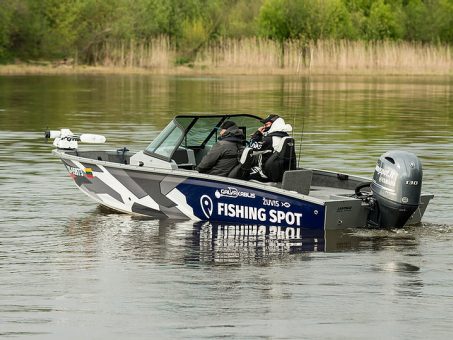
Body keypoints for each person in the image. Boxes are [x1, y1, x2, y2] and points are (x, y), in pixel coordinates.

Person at [249, 114, 293, 181]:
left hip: (265, 174)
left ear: (274, 125)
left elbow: (252, 151)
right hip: (281, 173)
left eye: (266, 125)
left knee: (242, 173)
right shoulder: (286, 138)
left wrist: (257, 135)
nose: (264, 127)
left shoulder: (269, 139)